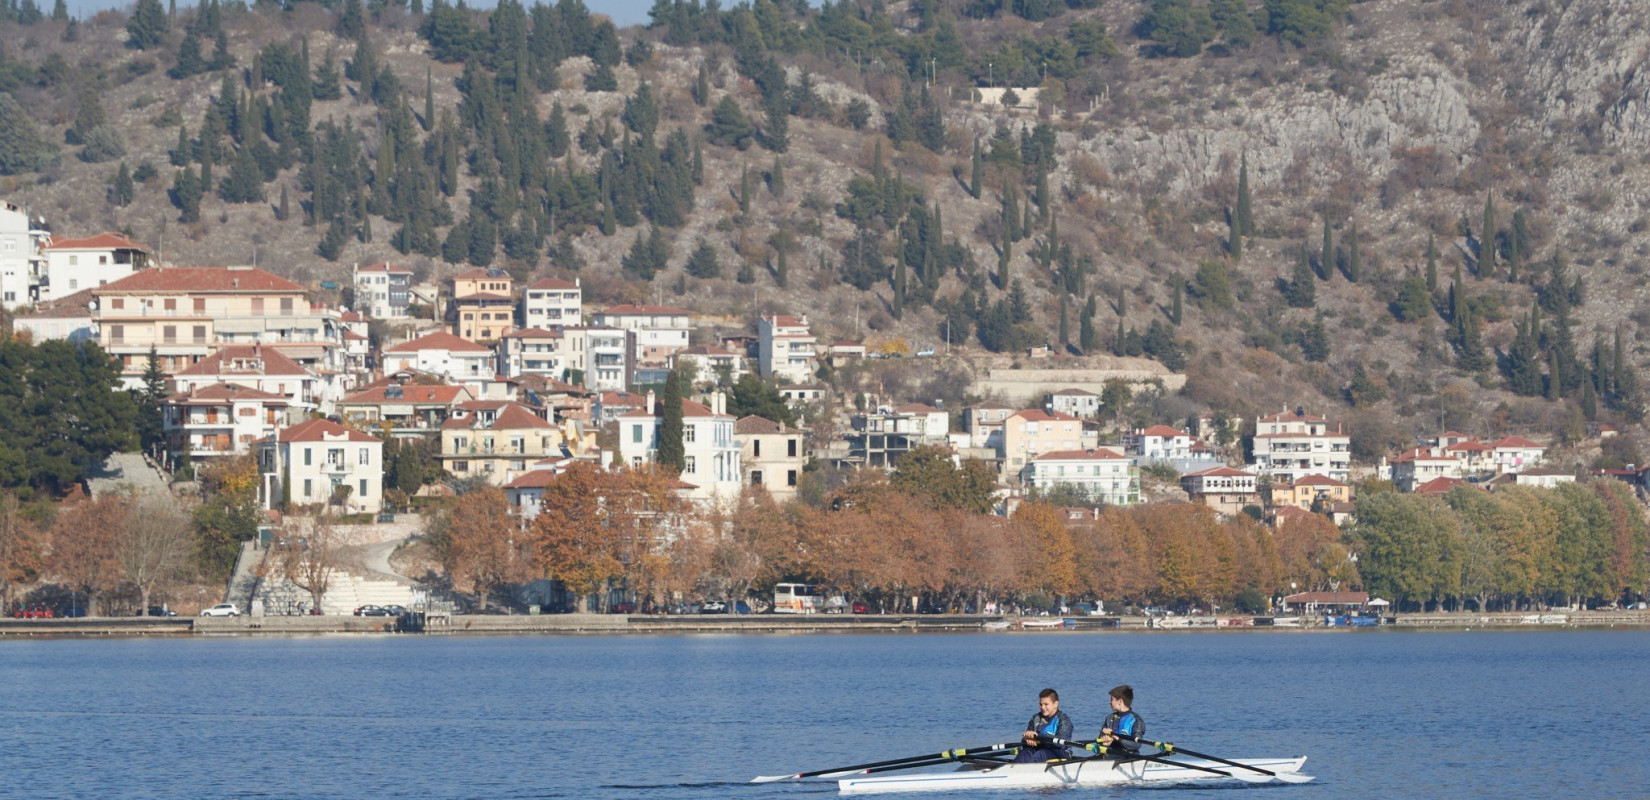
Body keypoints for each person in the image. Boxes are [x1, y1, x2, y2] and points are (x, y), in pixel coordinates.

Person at [1012, 688, 1072, 763]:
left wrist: (1037, 737)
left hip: (1059, 752)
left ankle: (1028, 772)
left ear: (1055, 704)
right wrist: (1027, 739)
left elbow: (1060, 741)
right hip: (1039, 749)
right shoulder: (1035, 718)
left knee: (1040, 754)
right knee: (1024, 753)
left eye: (1046, 704)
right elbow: (1024, 741)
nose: (1042, 707)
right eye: (1041, 704)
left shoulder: (1063, 720)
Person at [1096, 685, 1145, 757]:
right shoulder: (1110, 718)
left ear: (1120, 701)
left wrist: (1117, 738)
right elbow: (1100, 739)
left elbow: (1137, 744)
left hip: (1128, 756)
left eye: (1112, 699)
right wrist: (1105, 743)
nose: (1110, 702)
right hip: (1110, 754)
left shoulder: (1136, 720)